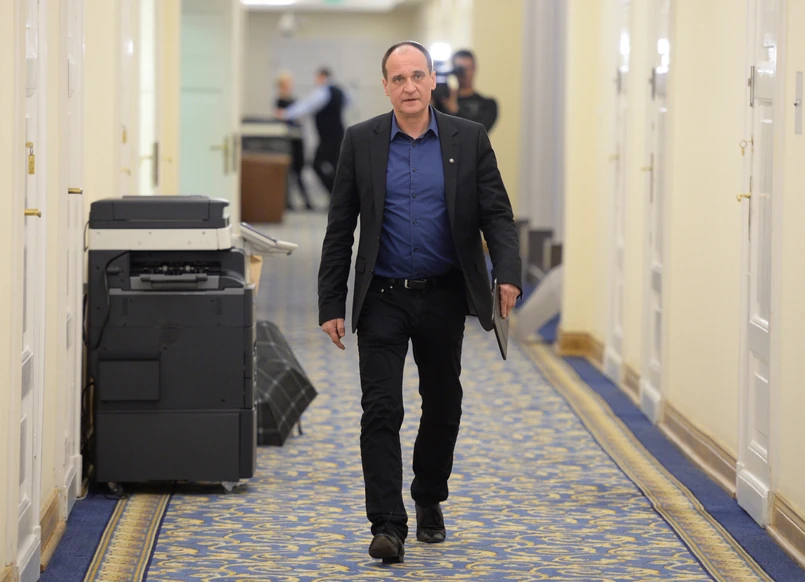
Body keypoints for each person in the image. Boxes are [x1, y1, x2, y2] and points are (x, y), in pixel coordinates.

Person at [317, 40, 522, 563]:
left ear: (433, 80)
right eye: (398, 78)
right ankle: (387, 524)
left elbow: (497, 214)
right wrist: (331, 301)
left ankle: (429, 495)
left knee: (444, 404)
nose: (409, 87)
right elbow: (340, 227)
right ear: (385, 87)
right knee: (381, 409)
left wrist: (507, 274)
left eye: (417, 76)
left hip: (443, 294)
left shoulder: (468, 138)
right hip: (381, 297)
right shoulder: (361, 141)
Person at [275, 67, 348, 196]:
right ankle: (341, 196)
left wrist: (286, 114)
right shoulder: (340, 91)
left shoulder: (323, 91)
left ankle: (336, 196)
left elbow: (307, 105)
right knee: (335, 165)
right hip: (339, 134)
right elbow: (348, 102)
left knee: (317, 164)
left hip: (328, 136)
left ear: (322, 77)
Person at [275, 72, 314, 210]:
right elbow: (281, 119)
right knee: (290, 171)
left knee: (299, 171)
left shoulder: (294, 100)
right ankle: (289, 202)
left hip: (298, 138)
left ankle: (307, 201)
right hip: (289, 140)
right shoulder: (280, 101)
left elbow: (300, 117)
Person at [433, 49, 498, 132]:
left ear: (475, 68)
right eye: (460, 69)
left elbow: (478, 132)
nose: (465, 73)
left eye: (468, 68)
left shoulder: (487, 104)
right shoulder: (442, 100)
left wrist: (455, 110)